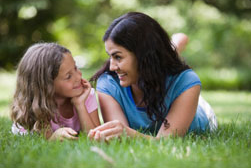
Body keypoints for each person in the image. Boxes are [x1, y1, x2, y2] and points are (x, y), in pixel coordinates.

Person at [88, 12, 217, 141]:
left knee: (169, 70)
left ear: (142, 55)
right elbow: (119, 137)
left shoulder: (186, 81)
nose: (111, 67)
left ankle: (176, 45)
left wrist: (129, 134)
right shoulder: (108, 84)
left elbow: (166, 141)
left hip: (201, 112)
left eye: (118, 57)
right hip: (155, 70)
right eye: (110, 56)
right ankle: (176, 45)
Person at [10, 43, 100, 140]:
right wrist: (53, 138)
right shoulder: (38, 105)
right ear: (47, 85)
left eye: (75, 68)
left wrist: (80, 105)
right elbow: (42, 143)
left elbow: (95, 137)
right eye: (68, 76)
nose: (79, 76)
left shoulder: (86, 95)